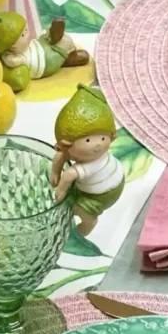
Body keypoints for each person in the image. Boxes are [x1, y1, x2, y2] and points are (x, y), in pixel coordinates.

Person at [50, 84, 125, 236]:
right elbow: (61, 155)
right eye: (88, 140)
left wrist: (60, 190)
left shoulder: (96, 161)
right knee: (71, 200)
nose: (97, 144)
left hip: (105, 192)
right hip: (87, 186)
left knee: (81, 209)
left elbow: (70, 174)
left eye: (103, 138)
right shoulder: (78, 153)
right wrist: (55, 172)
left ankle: (88, 224)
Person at [0, 13, 89, 92]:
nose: (28, 34)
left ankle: (55, 37)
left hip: (40, 45)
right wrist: (5, 55)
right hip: (46, 60)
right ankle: (70, 57)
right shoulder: (18, 57)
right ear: (11, 47)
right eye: (23, 35)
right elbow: (12, 62)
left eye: (26, 30)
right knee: (66, 41)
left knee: (50, 32)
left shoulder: (22, 48)